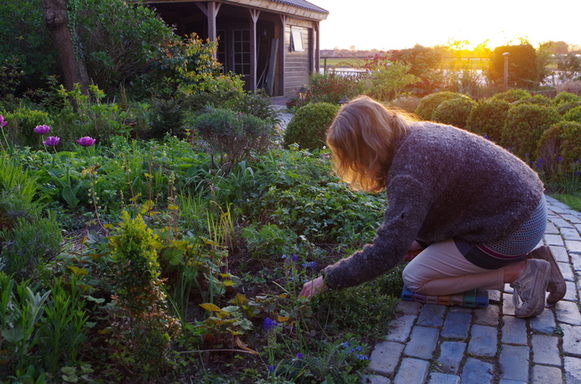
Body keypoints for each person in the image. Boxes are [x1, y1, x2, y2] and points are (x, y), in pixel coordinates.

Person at [299, 95, 566, 318]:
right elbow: (454, 203)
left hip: (511, 228)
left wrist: (328, 280)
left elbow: (388, 250)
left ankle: (521, 271)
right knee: (423, 254)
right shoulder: (414, 134)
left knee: (417, 279)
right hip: (529, 208)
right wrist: (422, 243)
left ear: (365, 149)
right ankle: (534, 258)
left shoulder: (409, 170)